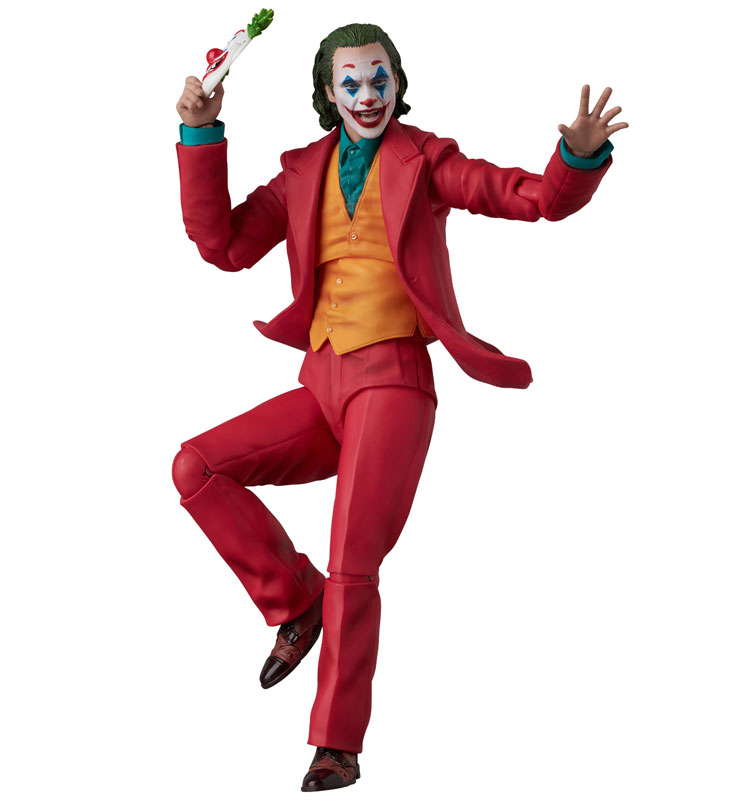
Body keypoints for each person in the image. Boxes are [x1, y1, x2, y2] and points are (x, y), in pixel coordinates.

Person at [173, 21, 626, 792]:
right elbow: (224, 246)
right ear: (328, 93)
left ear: (397, 82)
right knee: (197, 467)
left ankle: (336, 744)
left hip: (392, 383)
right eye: (351, 82)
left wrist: (576, 159)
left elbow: (531, 199)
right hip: (322, 381)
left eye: (379, 78)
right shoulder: (301, 172)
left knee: (354, 562)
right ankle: (295, 600)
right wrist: (200, 133)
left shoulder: (428, 161)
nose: (367, 95)